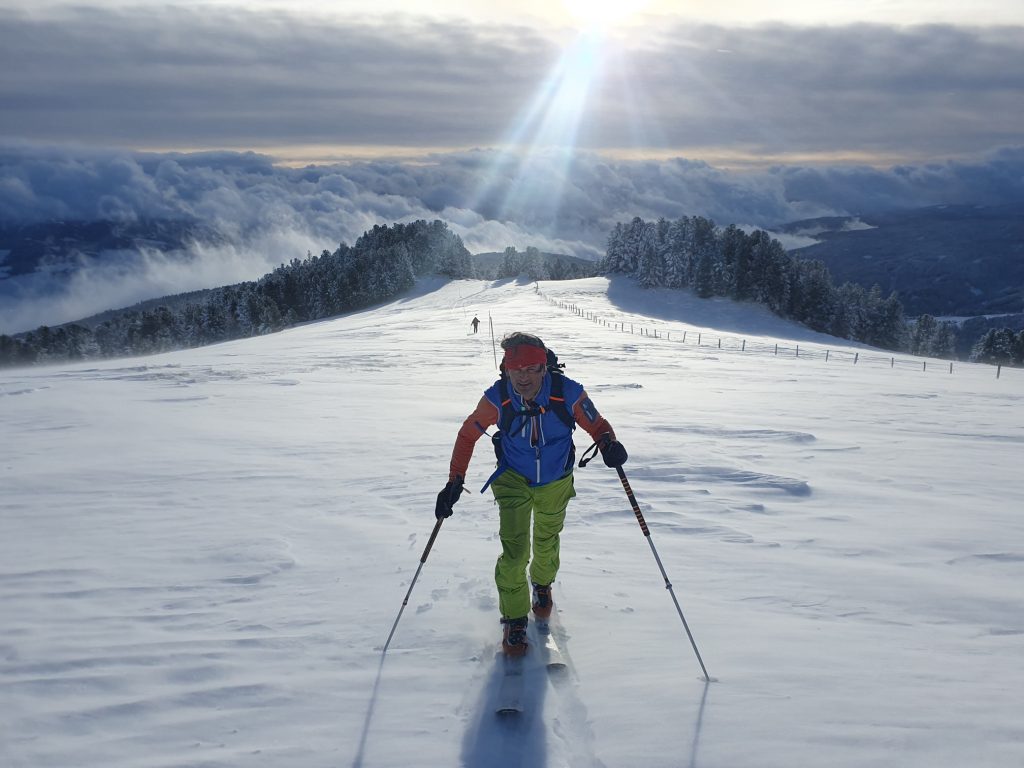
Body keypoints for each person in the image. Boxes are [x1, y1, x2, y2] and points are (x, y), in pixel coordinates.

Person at [435, 332, 628, 657]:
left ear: (543, 368)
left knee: (546, 541)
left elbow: (597, 424)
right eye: (515, 369)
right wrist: (455, 480)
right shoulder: (497, 398)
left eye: (530, 369)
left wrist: (608, 442)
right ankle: (514, 620)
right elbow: (467, 434)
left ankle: (542, 585)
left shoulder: (567, 392)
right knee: (514, 553)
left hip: (556, 480)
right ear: (506, 369)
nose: (522, 377)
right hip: (513, 480)